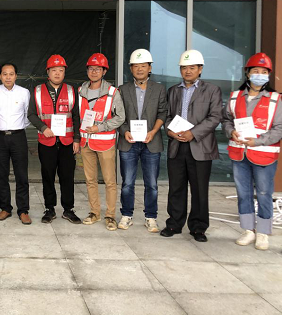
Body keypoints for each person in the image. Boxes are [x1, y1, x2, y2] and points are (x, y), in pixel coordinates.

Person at [222, 53, 282, 251]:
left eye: (264, 72)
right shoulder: (235, 97)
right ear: (247, 73)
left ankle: (263, 232)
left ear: (268, 75)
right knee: (243, 193)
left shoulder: (276, 99)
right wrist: (231, 131)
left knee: (264, 193)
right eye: (255, 71)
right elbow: (226, 120)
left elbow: (279, 128)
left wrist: (258, 141)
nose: (259, 75)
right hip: (240, 154)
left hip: (264, 155)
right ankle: (248, 230)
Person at [161, 50, 222, 242]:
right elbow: (167, 116)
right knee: (176, 188)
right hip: (177, 145)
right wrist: (170, 131)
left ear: (200, 69)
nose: (187, 71)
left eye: (192, 67)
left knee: (199, 190)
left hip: (200, 146)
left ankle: (198, 227)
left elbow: (215, 117)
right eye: (184, 68)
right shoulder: (173, 90)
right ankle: (174, 223)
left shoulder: (212, 90)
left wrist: (193, 133)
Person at [117, 49, 167, 233]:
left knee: (151, 184)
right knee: (127, 183)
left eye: (143, 66)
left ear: (149, 68)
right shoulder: (123, 90)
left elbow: (163, 113)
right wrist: (124, 131)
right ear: (131, 68)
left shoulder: (159, 89)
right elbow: (118, 114)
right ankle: (126, 215)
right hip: (128, 142)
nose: (139, 69)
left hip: (151, 142)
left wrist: (153, 131)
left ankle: (151, 217)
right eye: (136, 66)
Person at [28, 54, 81, 224]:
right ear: (48, 72)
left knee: (67, 177)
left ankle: (68, 209)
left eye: (61, 70)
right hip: (47, 142)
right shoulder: (37, 91)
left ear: (64, 72)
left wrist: (77, 139)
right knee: (48, 176)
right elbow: (31, 114)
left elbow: (76, 116)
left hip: (67, 142)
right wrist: (43, 128)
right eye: (54, 70)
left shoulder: (71, 91)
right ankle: (49, 209)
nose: (57, 73)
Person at [78, 53, 125, 231]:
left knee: (109, 181)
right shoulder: (80, 91)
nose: (94, 72)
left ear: (104, 71)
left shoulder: (113, 92)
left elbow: (120, 117)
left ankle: (110, 215)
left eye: (98, 69)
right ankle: (94, 212)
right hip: (86, 144)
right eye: (91, 68)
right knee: (90, 180)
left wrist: (101, 127)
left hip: (105, 144)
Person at [0, 63, 31, 225]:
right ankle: (5, 208)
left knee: (21, 175)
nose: (8, 77)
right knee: (1, 175)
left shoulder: (24, 92)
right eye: (4, 74)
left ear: (16, 76)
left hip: (18, 137)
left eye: (11, 74)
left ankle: (23, 210)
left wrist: (17, 128)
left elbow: (28, 115)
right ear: (0, 76)